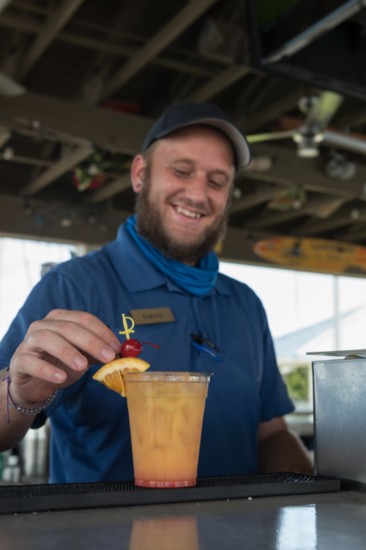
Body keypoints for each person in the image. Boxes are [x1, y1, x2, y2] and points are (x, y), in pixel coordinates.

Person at [0, 102, 312, 483]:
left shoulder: (245, 303)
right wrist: (21, 396)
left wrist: (317, 495)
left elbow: (272, 431)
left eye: (217, 181)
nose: (198, 194)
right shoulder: (73, 286)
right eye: (181, 171)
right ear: (139, 175)